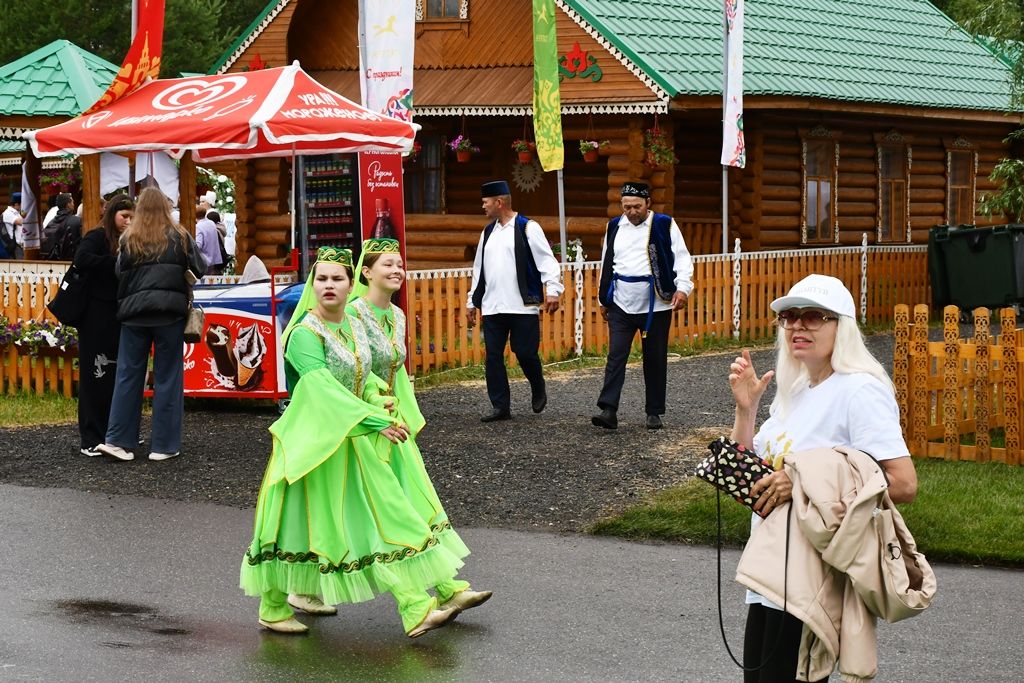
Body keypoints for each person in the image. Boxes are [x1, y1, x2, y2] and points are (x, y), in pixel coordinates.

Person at [240, 246, 470, 638]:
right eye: (322, 278)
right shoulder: (302, 335)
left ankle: (415, 606)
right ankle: (274, 604)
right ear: (314, 284)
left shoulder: (353, 327)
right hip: (313, 443)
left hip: (353, 439)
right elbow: (320, 388)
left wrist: (382, 401)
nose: (329, 285)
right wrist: (373, 420)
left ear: (351, 285)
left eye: (337, 278)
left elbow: (366, 377)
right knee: (296, 527)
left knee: (376, 521)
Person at [727, 273, 918, 682]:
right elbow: (753, 480)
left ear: (841, 326)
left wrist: (802, 482)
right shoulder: (797, 390)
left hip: (811, 577)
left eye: (812, 316)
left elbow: (902, 483)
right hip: (769, 570)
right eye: (790, 317)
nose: (797, 325)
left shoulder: (859, 391)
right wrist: (746, 411)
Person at [348, 237, 492, 614]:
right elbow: (351, 373)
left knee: (419, 504)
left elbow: (397, 373)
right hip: (364, 425)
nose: (397, 270)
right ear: (366, 272)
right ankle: (419, 600)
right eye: (387, 265)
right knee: (388, 513)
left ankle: (447, 586)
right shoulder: (352, 315)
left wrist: (407, 418)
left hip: (395, 424)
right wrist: (371, 416)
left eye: (399, 264)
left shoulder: (397, 315)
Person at [96, 187, 207, 463]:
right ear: (166, 208)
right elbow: (200, 267)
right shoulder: (180, 235)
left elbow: (119, 272)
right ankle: (164, 446)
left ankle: (119, 441)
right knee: (168, 377)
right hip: (169, 314)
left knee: (127, 376)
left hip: (134, 315)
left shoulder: (128, 237)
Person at [591, 182, 694, 430]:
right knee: (616, 355)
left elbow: (682, 257)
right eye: (627, 207)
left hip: (655, 304)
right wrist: (602, 297)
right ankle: (608, 410)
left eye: (637, 206)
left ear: (648, 203)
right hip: (621, 303)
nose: (632, 211)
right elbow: (607, 262)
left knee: (655, 358)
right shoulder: (614, 226)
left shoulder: (664, 224)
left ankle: (654, 412)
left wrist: (683, 288)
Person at [466, 180, 563, 422]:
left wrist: (553, 289)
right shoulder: (487, 232)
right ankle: (501, 407)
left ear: (499, 203)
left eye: (486, 202)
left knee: (525, 352)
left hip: (522, 305)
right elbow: (479, 270)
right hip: (492, 306)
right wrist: (472, 301)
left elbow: (547, 261)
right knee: (493, 356)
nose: (483, 207)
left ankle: (538, 385)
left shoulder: (527, 228)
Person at [73, 195, 133, 457]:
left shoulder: (130, 241)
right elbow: (81, 259)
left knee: (115, 375)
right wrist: (114, 263)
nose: (128, 222)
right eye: (124, 217)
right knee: (94, 375)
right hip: (95, 315)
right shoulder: (97, 237)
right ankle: (90, 436)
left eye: (132, 217)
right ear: (112, 216)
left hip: (118, 313)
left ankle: (113, 433)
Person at [41, 193, 83, 260]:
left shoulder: (51, 222)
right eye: (72, 202)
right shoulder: (76, 221)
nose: (73, 204)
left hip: (53, 261)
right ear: (68, 204)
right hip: (71, 261)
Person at [194, 207, 223, 276]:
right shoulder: (211, 223)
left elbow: (198, 245)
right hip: (213, 260)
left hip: (203, 260)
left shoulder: (198, 226)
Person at [2, 192, 23, 259]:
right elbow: (20, 222)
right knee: (20, 267)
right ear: (16, 204)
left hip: (20, 246)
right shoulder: (8, 213)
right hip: (15, 247)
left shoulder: (17, 212)